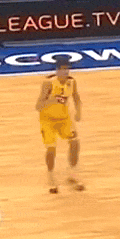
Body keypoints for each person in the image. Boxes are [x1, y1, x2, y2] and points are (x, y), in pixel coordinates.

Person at [34, 57, 83, 194]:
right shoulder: (48, 83)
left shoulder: (71, 82)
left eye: (67, 69)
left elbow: (76, 98)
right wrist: (51, 100)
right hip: (48, 120)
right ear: (57, 70)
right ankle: (51, 177)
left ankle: (72, 174)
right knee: (51, 149)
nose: (65, 72)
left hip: (64, 119)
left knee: (75, 143)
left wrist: (78, 112)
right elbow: (38, 106)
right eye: (63, 69)